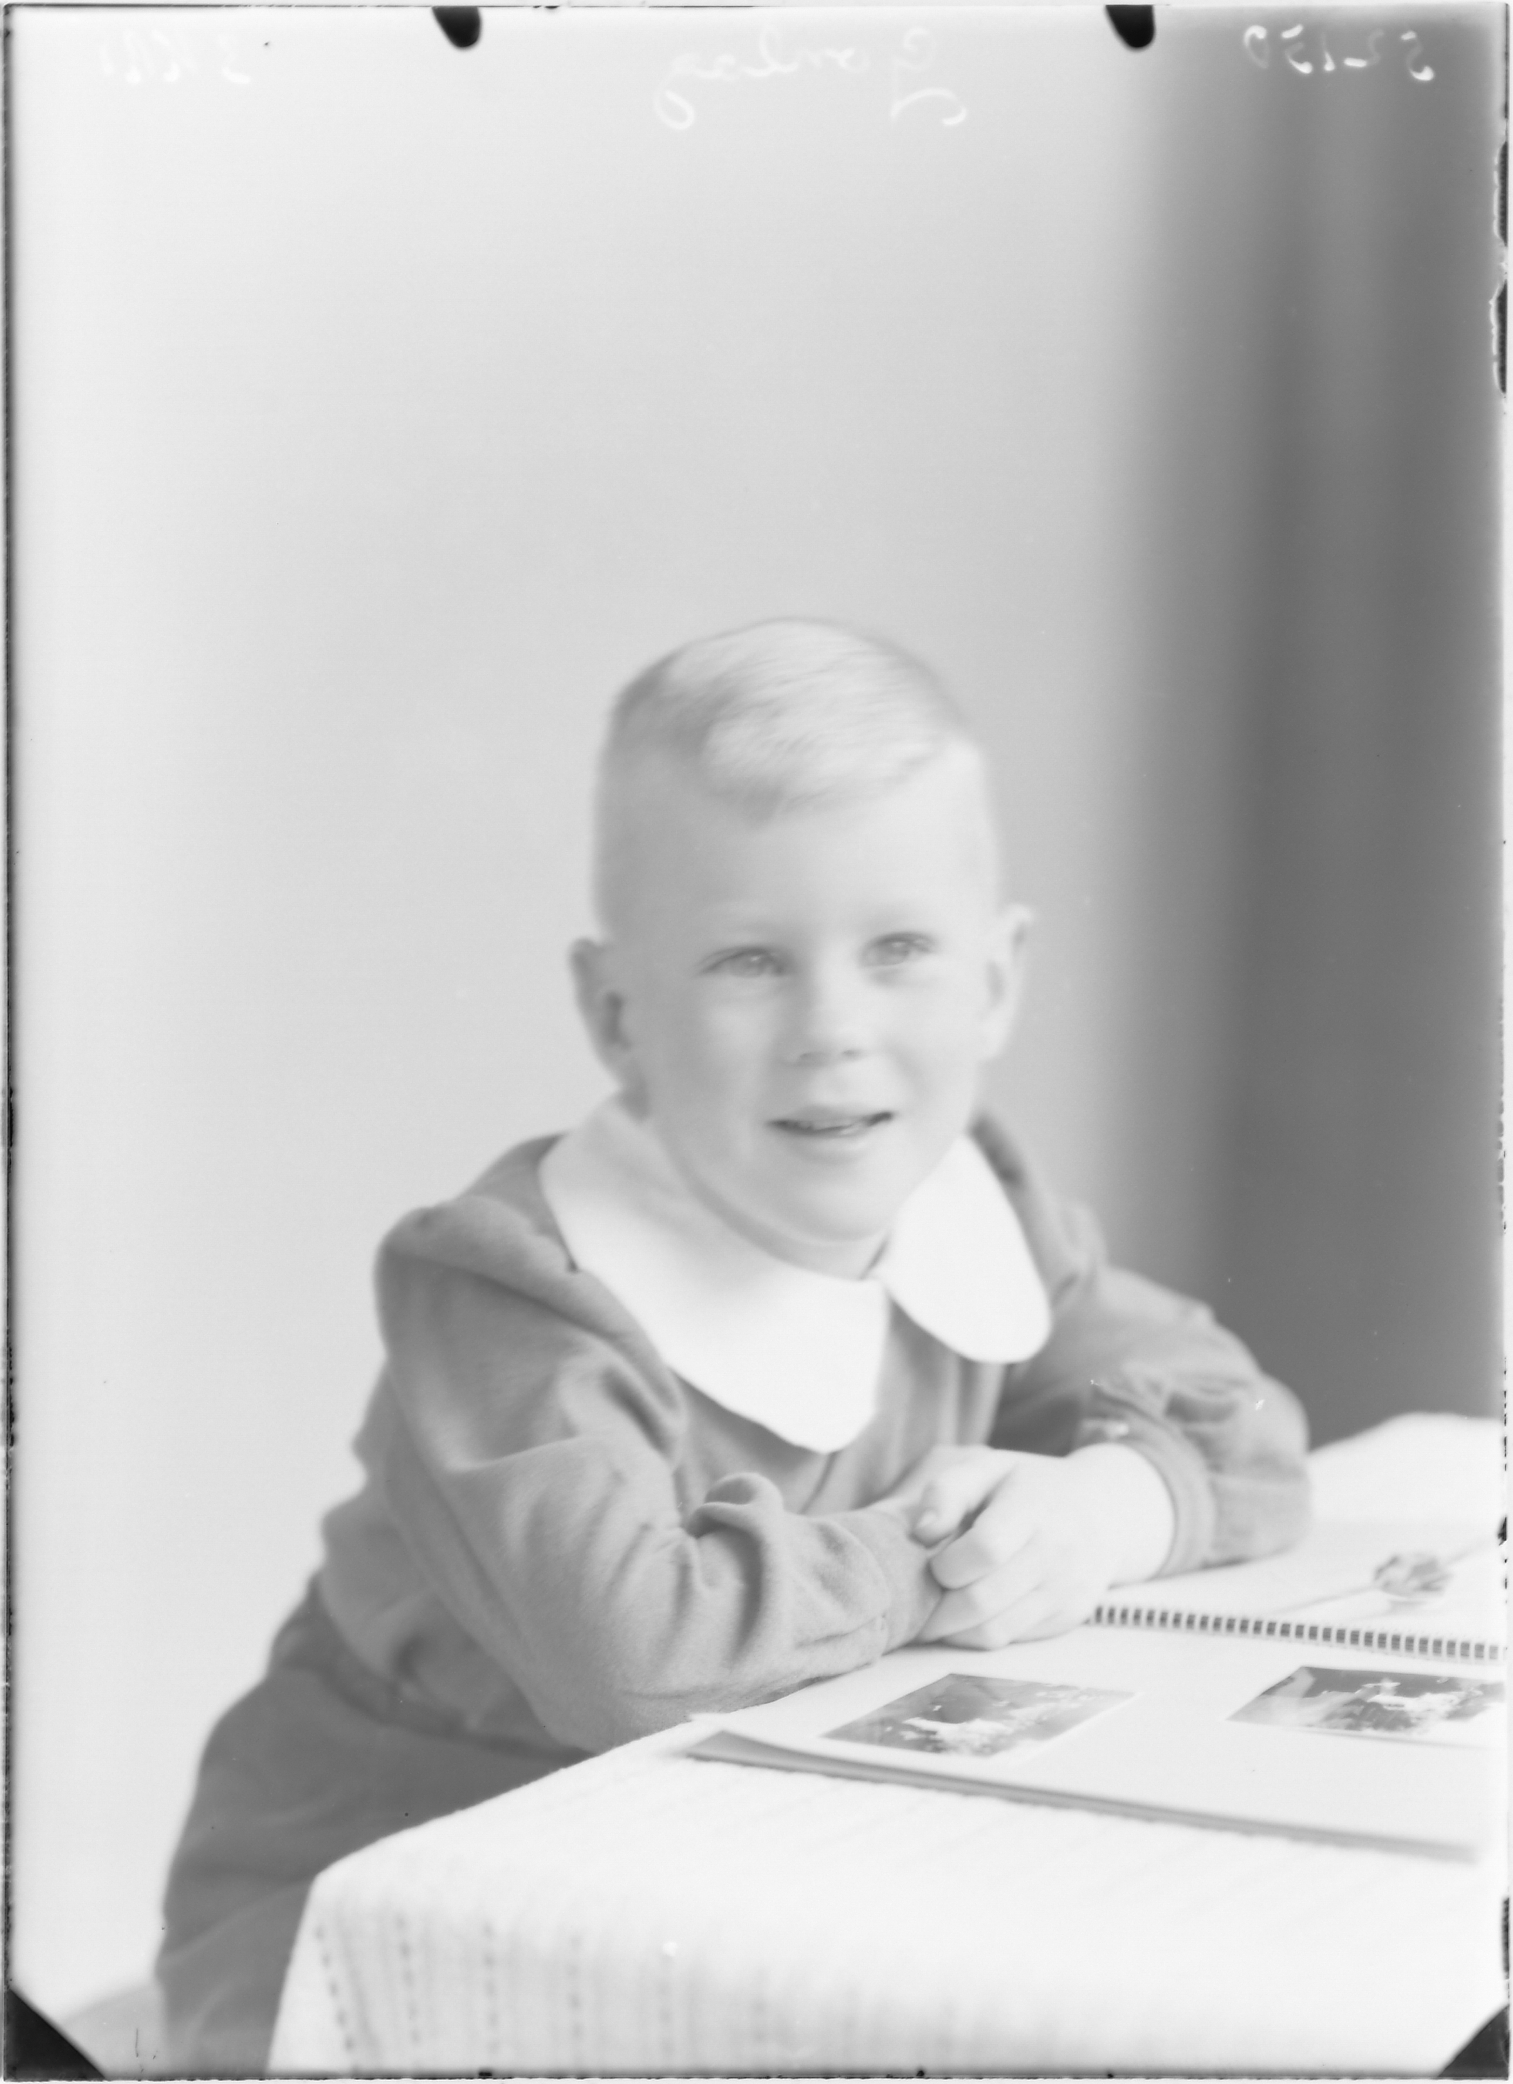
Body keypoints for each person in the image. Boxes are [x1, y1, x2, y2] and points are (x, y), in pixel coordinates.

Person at [158, 618, 1310, 2072]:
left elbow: (1243, 1431)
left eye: (899, 949)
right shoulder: (519, 1290)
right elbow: (633, 1653)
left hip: (724, 1875)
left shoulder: (978, 1208)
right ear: (617, 1013)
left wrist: (1098, 1510)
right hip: (400, 1906)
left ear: (996, 982)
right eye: (751, 960)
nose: (832, 1028)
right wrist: (954, 1553)